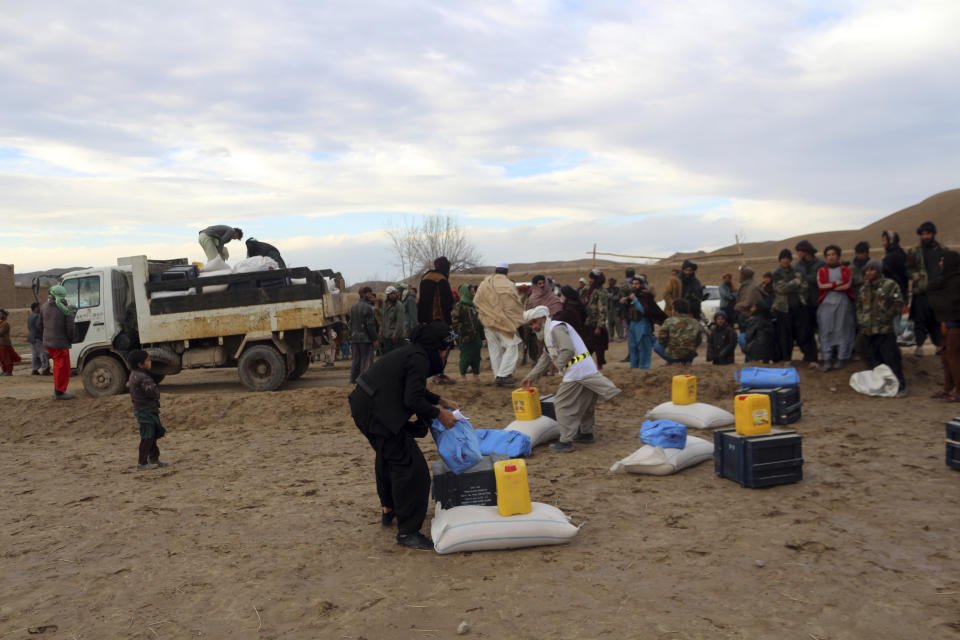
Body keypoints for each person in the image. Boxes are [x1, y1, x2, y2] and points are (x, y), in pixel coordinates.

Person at [348, 322, 460, 550]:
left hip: (368, 405)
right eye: (445, 349)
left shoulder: (413, 353)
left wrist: (439, 400)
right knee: (412, 469)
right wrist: (440, 414)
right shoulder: (419, 359)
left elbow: (413, 389)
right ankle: (408, 532)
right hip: (376, 411)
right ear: (438, 347)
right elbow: (412, 400)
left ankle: (389, 509)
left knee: (389, 455)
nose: (445, 354)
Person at [520, 306, 621, 453]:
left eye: (534, 322)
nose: (533, 327)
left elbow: (568, 349)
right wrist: (531, 377)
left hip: (576, 371)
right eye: (530, 324)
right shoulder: (550, 332)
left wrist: (557, 365)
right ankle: (586, 433)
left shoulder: (555, 329)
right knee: (586, 403)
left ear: (543, 318)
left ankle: (566, 441)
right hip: (584, 369)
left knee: (561, 404)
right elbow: (546, 357)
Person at [857, 259, 906, 397]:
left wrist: (887, 316)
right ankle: (882, 386)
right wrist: (862, 320)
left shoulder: (889, 285)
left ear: (878, 271)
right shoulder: (863, 289)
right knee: (873, 359)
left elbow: (898, 303)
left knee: (892, 359)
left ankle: (901, 386)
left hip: (885, 330)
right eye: (867, 270)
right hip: (868, 331)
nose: (869, 272)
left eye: (872, 269)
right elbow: (860, 307)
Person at [474, 263, 525, 386]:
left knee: (495, 350)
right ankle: (502, 375)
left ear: (495, 270)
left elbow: (476, 301)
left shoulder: (483, 284)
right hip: (503, 323)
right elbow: (513, 304)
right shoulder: (508, 284)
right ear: (507, 272)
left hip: (487, 322)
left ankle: (498, 375)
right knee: (512, 345)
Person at [907, 221, 949, 356]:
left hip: (938, 292)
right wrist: (917, 276)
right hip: (921, 292)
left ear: (933, 234)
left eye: (928, 233)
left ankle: (938, 346)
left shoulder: (943, 250)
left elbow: (949, 268)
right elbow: (908, 269)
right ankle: (919, 346)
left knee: (937, 320)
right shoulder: (914, 251)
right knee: (920, 320)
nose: (925, 236)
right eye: (923, 234)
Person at [127, 350, 169, 470]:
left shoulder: (134, 374)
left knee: (152, 435)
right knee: (147, 436)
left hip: (145, 409)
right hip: (145, 410)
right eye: (148, 360)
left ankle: (154, 458)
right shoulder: (142, 377)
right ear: (141, 364)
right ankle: (142, 463)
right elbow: (152, 393)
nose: (150, 362)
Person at [816, 245, 856, 371]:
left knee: (843, 330)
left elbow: (847, 285)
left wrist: (830, 287)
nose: (831, 257)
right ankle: (826, 359)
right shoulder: (821, 271)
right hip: (826, 304)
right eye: (828, 255)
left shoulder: (846, 270)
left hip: (843, 303)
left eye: (833, 254)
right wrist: (834, 284)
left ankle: (841, 358)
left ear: (838, 256)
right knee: (825, 330)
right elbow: (821, 286)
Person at [927, 251, 960, 401]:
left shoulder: (956, 281)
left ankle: (958, 391)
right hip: (946, 323)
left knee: (954, 358)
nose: (940, 263)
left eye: (943, 260)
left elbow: (952, 303)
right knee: (946, 357)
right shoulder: (945, 280)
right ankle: (948, 388)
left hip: (956, 324)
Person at [772, 249, 812, 365]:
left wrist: (791, 285)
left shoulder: (797, 271)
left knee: (803, 333)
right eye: (783, 258)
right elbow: (781, 289)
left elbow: (804, 286)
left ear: (790, 260)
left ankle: (809, 357)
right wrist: (795, 283)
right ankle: (787, 359)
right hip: (783, 309)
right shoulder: (777, 273)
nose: (785, 260)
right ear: (780, 260)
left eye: (788, 258)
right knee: (785, 335)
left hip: (798, 306)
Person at [38, 285, 77, 399]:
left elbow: (40, 325)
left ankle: (59, 390)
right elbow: (70, 329)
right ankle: (59, 392)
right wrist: (70, 340)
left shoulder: (44, 307)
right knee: (62, 367)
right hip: (60, 343)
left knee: (57, 366)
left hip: (48, 342)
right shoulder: (66, 309)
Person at [621, 276, 665, 369]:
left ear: (641, 284)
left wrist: (635, 300)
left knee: (643, 347)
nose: (634, 286)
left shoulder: (645, 295)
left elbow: (644, 311)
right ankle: (634, 366)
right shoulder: (633, 295)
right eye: (633, 284)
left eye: (636, 284)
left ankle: (644, 367)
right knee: (633, 347)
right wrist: (625, 301)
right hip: (633, 324)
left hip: (643, 324)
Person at [452, 283, 482, 381]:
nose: (473, 293)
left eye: (473, 291)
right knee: (466, 356)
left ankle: (476, 375)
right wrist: (463, 330)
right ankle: (463, 376)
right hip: (465, 336)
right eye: (471, 291)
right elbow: (455, 322)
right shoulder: (459, 306)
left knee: (476, 356)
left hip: (476, 335)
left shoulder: (474, 305)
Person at [655, 299, 701, 364]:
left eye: (672, 309)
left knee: (656, 345)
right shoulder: (695, 322)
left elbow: (661, 339)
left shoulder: (669, 321)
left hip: (673, 355)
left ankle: (672, 361)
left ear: (675, 311)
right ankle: (686, 361)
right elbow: (699, 341)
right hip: (689, 355)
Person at [349, 287, 378, 384]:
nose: (370, 295)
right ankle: (364, 381)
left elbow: (350, 323)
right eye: (369, 293)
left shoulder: (353, 307)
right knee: (366, 360)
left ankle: (353, 380)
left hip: (355, 338)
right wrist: (374, 339)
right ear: (365, 294)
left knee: (355, 360)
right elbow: (370, 325)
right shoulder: (368, 307)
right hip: (366, 339)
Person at [582, 270, 610, 370]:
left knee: (599, 348)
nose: (589, 280)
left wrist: (599, 326)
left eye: (591, 279)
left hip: (596, 325)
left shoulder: (601, 292)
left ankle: (599, 366)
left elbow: (602, 310)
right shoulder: (589, 291)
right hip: (588, 323)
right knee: (586, 347)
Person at [380, 286, 406, 355]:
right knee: (387, 355)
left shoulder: (399, 306)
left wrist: (396, 335)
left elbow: (399, 322)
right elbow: (382, 318)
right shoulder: (384, 305)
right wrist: (381, 329)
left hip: (395, 337)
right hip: (386, 336)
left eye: (393, 294)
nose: (392, 295)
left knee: (396, 356)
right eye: (390, 294)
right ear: (387, 295)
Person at [27, 302, 51, 375]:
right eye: (38, 307)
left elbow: (29, 327)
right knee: (43, 353)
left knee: (35, 355)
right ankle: (45, 369)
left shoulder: (30, 316)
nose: (39, 308)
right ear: (35, 308)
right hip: (38, 337)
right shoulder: (37, 316)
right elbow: (39, 327)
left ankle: (34, 369)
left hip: (32, 337)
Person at [0, 310, 21, 376]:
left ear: (4, 315)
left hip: (4, 343)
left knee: (6, 358)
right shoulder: (2, 323)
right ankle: (4, 370)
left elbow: (1, 333)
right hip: (1, 343)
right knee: (2, 358)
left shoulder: (5, 324)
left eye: (0, 314)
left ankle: (8, 371)